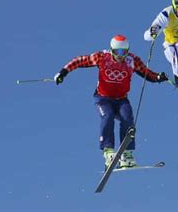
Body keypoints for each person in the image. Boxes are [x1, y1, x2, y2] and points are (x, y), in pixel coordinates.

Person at [53, 35, 169, 169]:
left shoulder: (132, 61)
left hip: (121, 99)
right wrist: (63, 72)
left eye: (124, 52)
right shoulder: (102, 57)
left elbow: (146, 73)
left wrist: (158, 77)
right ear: (112, 50)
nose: (121, 56)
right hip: (103, 98)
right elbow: (79, 60)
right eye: (118, 52)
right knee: (107, 116)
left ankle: (127, 154)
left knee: (128, 118)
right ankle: (108, 152)